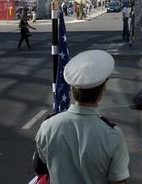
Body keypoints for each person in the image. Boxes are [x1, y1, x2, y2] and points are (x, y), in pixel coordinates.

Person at [33, 50, 130, 184]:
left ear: (73, 90)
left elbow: (40, 167)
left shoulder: (48, 126)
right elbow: (118, 181)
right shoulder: (112, 134)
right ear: (101, 92)